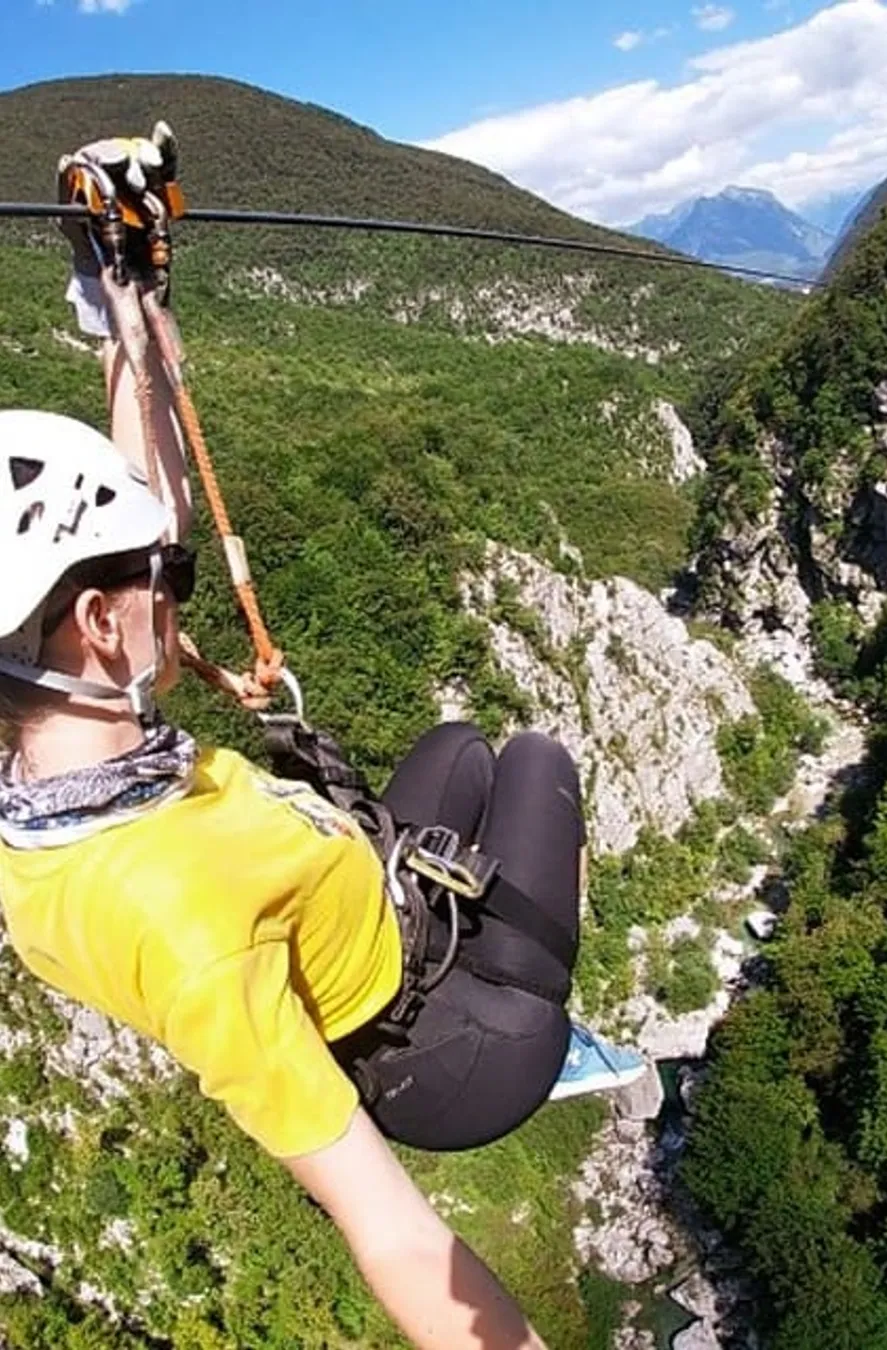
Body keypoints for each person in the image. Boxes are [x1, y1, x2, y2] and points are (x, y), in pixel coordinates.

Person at [0, 132, 646, 1350]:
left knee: (461, 744)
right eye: (162, 583)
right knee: (542, 760)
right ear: (93, 622)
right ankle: (547, 1013)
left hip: (363, 893)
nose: (173, 588)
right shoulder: (178, 925)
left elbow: (149, 499)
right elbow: (391, 1234)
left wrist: (123, 298)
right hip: (447, 1046)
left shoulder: (55, 760)